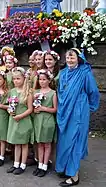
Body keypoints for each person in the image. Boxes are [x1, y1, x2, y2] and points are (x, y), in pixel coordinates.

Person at [56, 48, 100, 186]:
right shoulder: (62, 73)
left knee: (74, 140)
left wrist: (90, 107)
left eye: (72, 58)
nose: (69, 60)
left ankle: (74, 175)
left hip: (78, 111)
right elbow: (60, 90)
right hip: (64, 111)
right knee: (64, 140)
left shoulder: (84, 73)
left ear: (79, 59)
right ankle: (64, 168)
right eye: (68, 58)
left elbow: (93, 91)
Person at [6, 67, 33, 175]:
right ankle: (16, 163)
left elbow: (30, 109)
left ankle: (22, 164)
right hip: (14, 120)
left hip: (23, 120)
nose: (16, 81)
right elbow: (9, 105)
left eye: (18, 79)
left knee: (24, 143)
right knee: (16, 143)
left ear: (24, 79)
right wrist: (9, 110)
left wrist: (20, 116)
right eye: (14, 79)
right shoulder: (12, 91)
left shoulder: (28, 93)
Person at [32, 69, 57, 177]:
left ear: (49, 80)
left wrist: (43, 108)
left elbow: (54, 109)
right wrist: (35, 109)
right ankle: (40, 164)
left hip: (47, 120)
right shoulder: (36, 92)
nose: (42, 82)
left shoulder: (53, 93)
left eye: (44, 79)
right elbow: (32, 107)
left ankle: (45, 165)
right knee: (39, 143)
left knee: (46, 144)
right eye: (40, 79)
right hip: (38, 120)